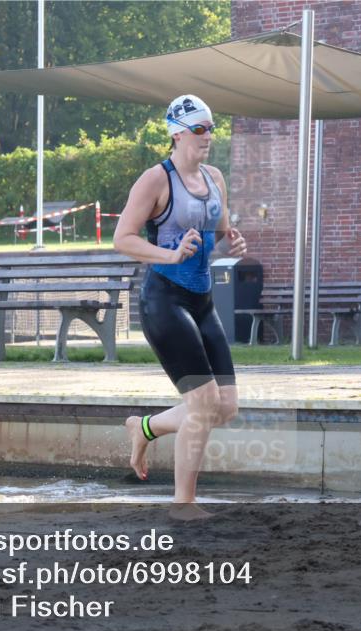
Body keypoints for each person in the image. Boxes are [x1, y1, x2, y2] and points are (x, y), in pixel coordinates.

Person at [114, 94, 248, 520]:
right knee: (204, 404)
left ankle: (144, 427)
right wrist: (169, 254)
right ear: (177, 133)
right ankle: (183, 505)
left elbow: (221, 225)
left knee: (225, 407)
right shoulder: (155, 180)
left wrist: (233, 239)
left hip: (202, 302)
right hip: (165, 301)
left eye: (212, 127)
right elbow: (123, 238)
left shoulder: (214, 177)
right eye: (200, 129)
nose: (209, 136)